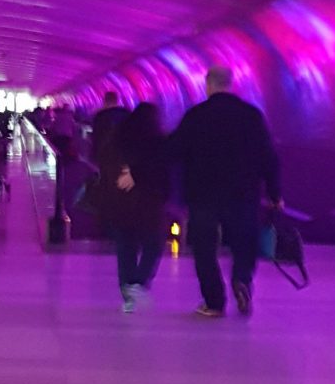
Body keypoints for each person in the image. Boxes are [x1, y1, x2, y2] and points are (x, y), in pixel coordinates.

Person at [167, 65, 282, 318]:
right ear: (231, 84)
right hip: (243, 192)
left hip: (203, 193)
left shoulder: (196, 115)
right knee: (244, 243)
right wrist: (275, 194)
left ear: (208, 85)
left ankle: (214, 302)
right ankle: (241, 279)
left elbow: (173, 151)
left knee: (204, 248)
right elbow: (268, 157)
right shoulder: (252, 116)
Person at [105, 103, 171, 313]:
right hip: (149, 204)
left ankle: (127, 293)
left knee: (126, 247)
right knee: (154, 244)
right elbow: (163, 172)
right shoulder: (158, 141)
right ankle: (139, 283)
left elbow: (105, 162)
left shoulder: (118, 137)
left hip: (121, 201)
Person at [90, 91, 130, 167]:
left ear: (104, 100)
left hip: (104, 151)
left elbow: (96, 135)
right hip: (121, 152)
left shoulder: (100, 115)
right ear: (117, 100)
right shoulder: (126, 113)